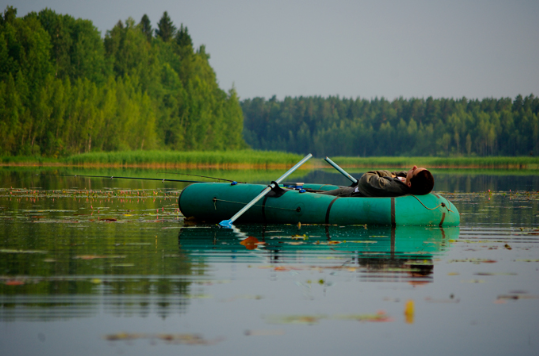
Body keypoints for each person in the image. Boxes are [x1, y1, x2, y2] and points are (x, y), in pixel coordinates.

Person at [319, 165, 434, 197]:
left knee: (318, 196)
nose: (414, 166)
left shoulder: (393, 187)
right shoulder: (408, 185)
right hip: (355, 189)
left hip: (353, 193)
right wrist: (395, 175)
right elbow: (402, 174)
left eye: (414, 170)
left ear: (409, 184)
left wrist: (391, 175)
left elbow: (366, 179)